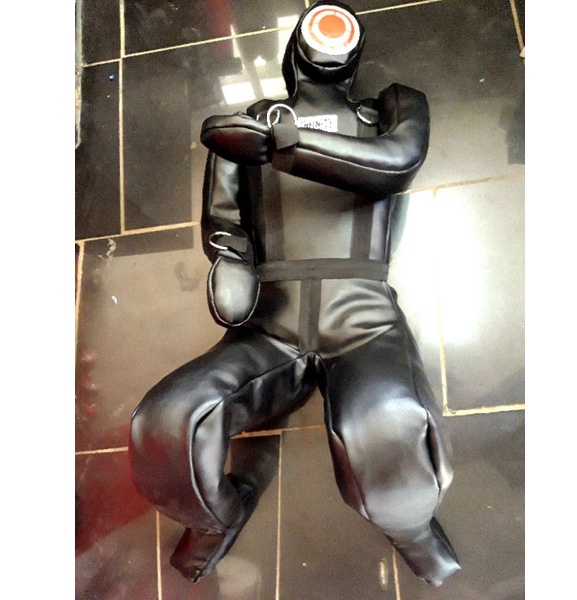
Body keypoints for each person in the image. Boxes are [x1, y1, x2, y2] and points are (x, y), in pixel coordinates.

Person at [129, 1, 461, 587]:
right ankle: (214, 517)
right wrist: (231, 255)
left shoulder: (391, 108)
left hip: (362, 319)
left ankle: (409, 526)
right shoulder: (249, 124)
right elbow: (225, 219)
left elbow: (398, 161)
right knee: (167, 422)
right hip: (269, 325)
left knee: (387, 425)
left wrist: (285, 146)